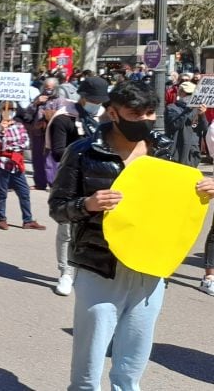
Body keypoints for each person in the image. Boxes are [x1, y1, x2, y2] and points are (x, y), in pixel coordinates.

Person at [48, 80, 209, 390]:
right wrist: (88, 204)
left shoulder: (164, 150)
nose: (145, 120)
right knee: (90, 355)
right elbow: (58, 207)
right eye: (135, 113)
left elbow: (180, 195)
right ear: (113, 112)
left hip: (151, 268)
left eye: (150, 113)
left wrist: (202, 190)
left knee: (133, 358)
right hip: (101, 266)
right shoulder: (84, 152)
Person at [46, 77, 107, 297]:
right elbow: (57, 151)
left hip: (100, 180)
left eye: (100, 100)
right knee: (67, 230)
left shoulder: (105, 117)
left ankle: (87, 270)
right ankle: (65, 272)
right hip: (71, 181)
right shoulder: (65, 118)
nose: (97, 103)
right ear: (82, 97)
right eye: (93, 99)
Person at [0, 101, 45, 230]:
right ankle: (2, 219)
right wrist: (3, 132)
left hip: (16, 164)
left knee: (24, 192)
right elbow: (0, 145)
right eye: (7, 109)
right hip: (0, 164)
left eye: (12, 109)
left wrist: (11, 147)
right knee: (1, 193)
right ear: (1, 111)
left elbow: (25, 143)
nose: (9, 111)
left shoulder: (19, 125)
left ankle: (27, 220)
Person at [165, 81, 208, 168]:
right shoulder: (172, 108)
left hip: (192, 150)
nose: (190, 96)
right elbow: (175, 125)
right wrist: (188, 110)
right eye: (188, 93)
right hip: (176, 150)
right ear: (180, 92)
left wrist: (202, 115)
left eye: (192, 94)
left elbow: (204, 128)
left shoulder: (197, 109)